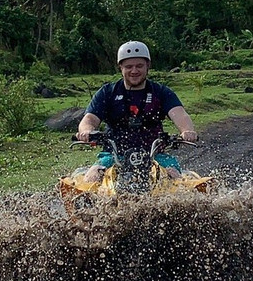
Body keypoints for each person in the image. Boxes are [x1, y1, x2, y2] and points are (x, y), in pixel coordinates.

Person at [76, 40, 198, 183]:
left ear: (148, 66)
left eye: (139, 66)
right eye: (129, 66)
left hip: (155, 155)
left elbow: (180, 114)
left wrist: (187, 130)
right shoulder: (107, 92)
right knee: (93, 176)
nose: (134, 71)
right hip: (114, 155)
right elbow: (90, 118)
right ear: (120, 67)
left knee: (174, 177)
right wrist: (86, 131)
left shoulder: (161, 92)